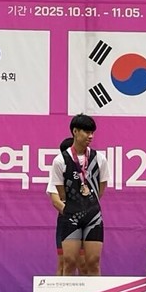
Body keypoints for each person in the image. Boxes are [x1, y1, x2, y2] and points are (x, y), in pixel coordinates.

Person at [49, 114, 109, 275]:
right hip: (71, 217)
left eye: (92, 132)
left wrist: (88, 203)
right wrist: (75, 206)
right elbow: (61, 193)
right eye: (87, 132)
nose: (91, 136)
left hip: (93, 216)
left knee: (93, 262)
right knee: (69, 262)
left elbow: (102, 187)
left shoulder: (100, 159)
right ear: (75, 131)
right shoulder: (60, 161)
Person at [47, 137, 82, 275]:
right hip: (66, 220)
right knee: (64, 264)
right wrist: (71, 214)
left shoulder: (87, 171)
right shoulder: (58, 172)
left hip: (85, 221)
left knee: (84, 264)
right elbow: (56, 201)